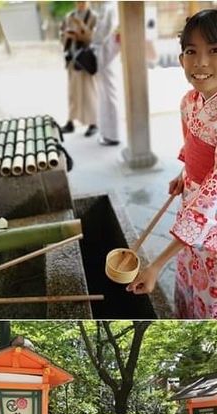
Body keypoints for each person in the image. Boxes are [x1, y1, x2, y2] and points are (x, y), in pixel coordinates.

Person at [128, 9, 217, 318]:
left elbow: (212, 197)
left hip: (212, 218)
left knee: (209, 295)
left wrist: (156, 264)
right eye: (192, 52)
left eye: (214, 51)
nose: (201, 62)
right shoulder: (188, 102)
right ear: (181, 60)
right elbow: (192, 145)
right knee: (189, 281)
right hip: (190, 200)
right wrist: (185, 174)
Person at [60, 1, 98, 137]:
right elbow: (62, 35)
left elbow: (93, 39)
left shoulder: (93, 16)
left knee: (89, 92)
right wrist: (67, 36)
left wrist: (80, 31)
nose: (80, 3)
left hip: (85, 59)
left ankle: (93, 123)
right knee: (72, 92)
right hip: (71, 57)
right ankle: (70, 122)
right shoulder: (69, 16)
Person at [92, 1, 120, 146]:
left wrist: (92, 41)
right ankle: (107, 133)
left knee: (109, 94)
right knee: (105, 94)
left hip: (106, 54)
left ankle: (112, 135)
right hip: (104, 53)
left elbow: (103, 31)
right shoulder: (107, 6)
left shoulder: (110, 6)